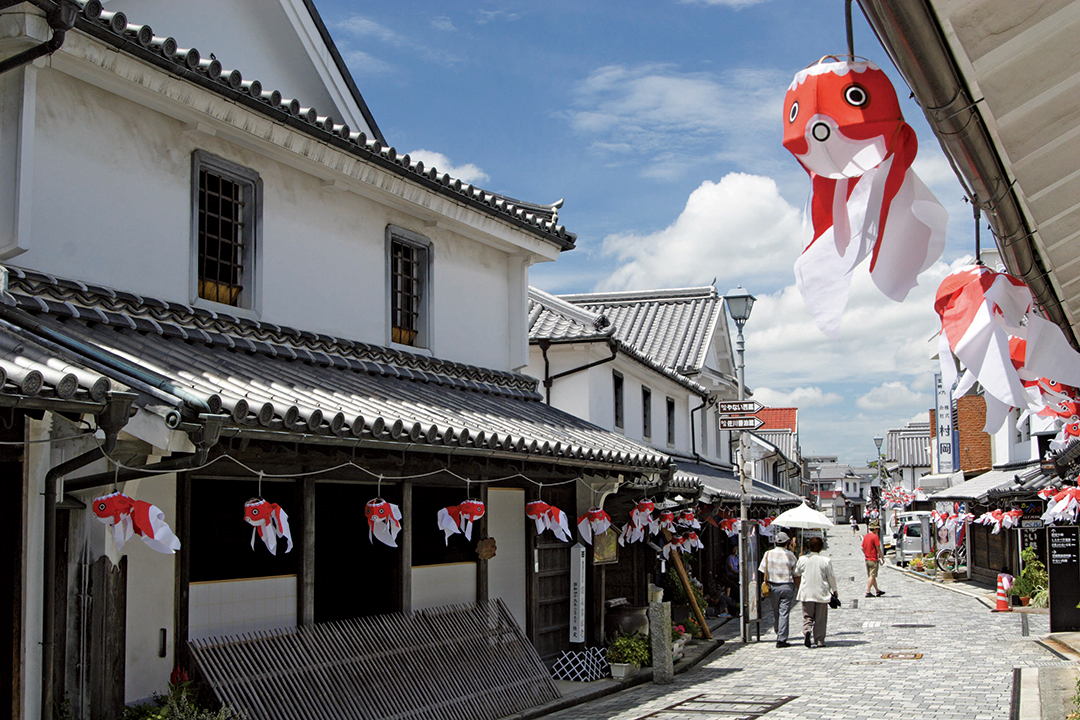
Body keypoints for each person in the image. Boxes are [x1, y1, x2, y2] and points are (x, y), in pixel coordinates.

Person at [757, 530, 799, 648]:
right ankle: (781, 638)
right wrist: (799, 587)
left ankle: (778, 631)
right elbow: (796, 573)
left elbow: (762, 570)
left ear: (775, 542)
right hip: (787, 585)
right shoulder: (790, 555)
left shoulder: (768, 554)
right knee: (784, 612)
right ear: (787, 542)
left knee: (776, 612)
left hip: (773, 586)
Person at [794, 536, 838, 648]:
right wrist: (834, 590)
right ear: (821, 547)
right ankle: (819, 640)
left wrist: (800, 586)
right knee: (820, 618)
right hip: (821, 592)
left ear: (809, 546)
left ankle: (807, 630)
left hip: (806, 592)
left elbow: (796, 574)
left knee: (807, 615)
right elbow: (831, 577)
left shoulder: (803, 559)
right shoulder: (825, 561)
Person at [862, 527, 886, 598]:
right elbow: (878, 548)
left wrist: (866, 554)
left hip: (867, 559)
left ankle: (877, 591)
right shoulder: (875, 537)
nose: (878, 530)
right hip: (873, 559)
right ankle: (868, 592)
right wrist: (882, 558)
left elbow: (862, 548)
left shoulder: (866, 536)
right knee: (872, 575)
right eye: (877, 529)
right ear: (875, 529)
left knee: (872, 575)